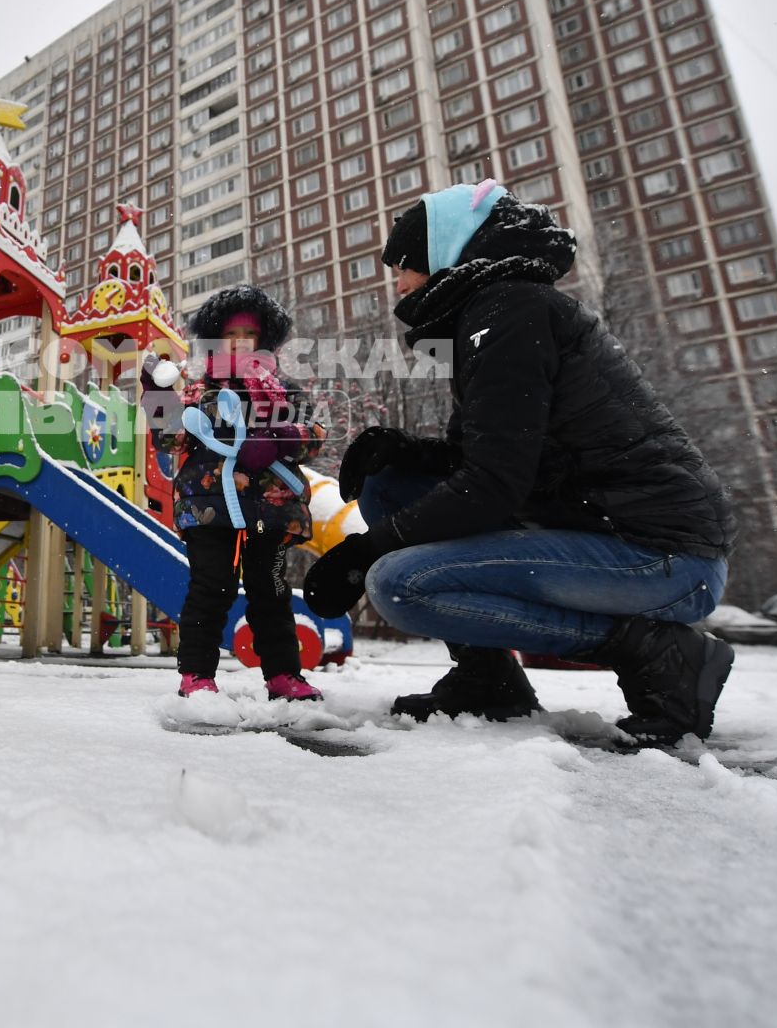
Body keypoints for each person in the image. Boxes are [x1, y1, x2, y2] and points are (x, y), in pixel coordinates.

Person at [302, 180, 739, 747]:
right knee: (392, 485)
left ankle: (658, 654)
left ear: (448, 254)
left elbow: (493, 485)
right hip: (601, 534)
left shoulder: (510, 311)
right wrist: (405, 452)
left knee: (400, 584)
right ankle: (489, 680)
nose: (400, 284)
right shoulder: (494, 314)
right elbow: (498, 460)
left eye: (406, 265)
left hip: (663, 558)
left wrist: (365, 552)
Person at [142, 285, 325, 702]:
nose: (241, 341)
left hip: (271, 503)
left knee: (271, 588)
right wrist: (156, 396)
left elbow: (314, 437)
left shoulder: (285, 390)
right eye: (232, 333)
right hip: (210, 504)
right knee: (211, 585)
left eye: (250, 332)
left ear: (264, 339)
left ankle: (283, 675)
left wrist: (278, 438)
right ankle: (197, 676)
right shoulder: (196, 387)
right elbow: (171, 440)